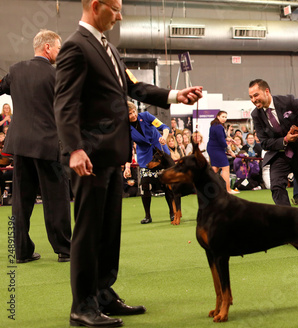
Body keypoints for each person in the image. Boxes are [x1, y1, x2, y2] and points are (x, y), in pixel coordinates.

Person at [53, 1, 203, 326]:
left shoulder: (108, 49)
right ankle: (82, 306)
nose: (120, 16)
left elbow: (134, 88)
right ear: (96, 6)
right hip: (89, 158)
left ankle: (103, 295)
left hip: (112, 155)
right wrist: (74, 149)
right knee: (88, 231)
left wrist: (176, 96)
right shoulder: (75, 48)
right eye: (116, 8)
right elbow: (64, 103)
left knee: (109, 231)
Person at [0, 29, 72, 264]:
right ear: (48, 47)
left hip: (20, 145)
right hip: (48, 146)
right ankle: (64, 249)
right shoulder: (57, 75)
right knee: (56, 200)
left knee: (20, 201)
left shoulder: (15, 70)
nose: (60, 54)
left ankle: (21, 251)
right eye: (59, 48)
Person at [249, 79, 298, 230]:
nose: (253, 100)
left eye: (256, 95)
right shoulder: (256, 115)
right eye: (251, 97)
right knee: (276, 187)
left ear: (266, 91)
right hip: (278, 154)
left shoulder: (289, 101)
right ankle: (290, 226)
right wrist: (284, 140)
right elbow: (264, 142)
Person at [124, 101, 172, 224]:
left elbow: (164, 127)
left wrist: (164, 138)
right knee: (145, 185)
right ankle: (147, 216)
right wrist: (127, 166)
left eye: (134, 111)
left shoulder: (145, 116)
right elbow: (128, 149)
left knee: (166, 185)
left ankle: (172, 212)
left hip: (160, 153)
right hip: (145, 157)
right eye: (129, 113)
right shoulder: (125, 128)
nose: (133, 115)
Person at [207, 111, 238, 194]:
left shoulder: (215, 125)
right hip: (216, 149)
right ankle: (227, 190)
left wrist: (229, 139)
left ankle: (206, 188)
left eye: (225, 117)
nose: (224, 119)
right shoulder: (219, 127)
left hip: (213, 148)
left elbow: (221, 137)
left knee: (215, 169)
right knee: (225, 168)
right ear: (218, 116)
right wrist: (230, 151)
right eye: (223, 116)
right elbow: (221, 141)